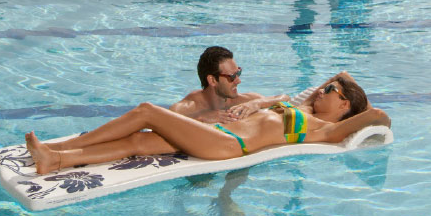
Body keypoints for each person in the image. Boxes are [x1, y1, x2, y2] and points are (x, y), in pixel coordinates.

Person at [25, 72, 391, 174]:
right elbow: (343, 72)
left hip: (229, 147)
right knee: (138, 141)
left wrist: (355, 106)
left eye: (329, 90)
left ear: (343, 104)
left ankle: (54, 148)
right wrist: (339, 90)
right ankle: (55, 159)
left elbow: (377, 116)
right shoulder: (304, 109)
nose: (321, 90)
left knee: (147, 111)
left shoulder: (326, 130)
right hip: (217, 135)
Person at [169, 46, 289, 124]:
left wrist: (257, 103)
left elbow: (285, 99)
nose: (238, 81)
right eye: (231, 76)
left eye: (238, 73)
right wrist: (200, 119)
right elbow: (163, 127)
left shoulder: (244, 102)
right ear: (212, 80)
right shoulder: (187, 108)